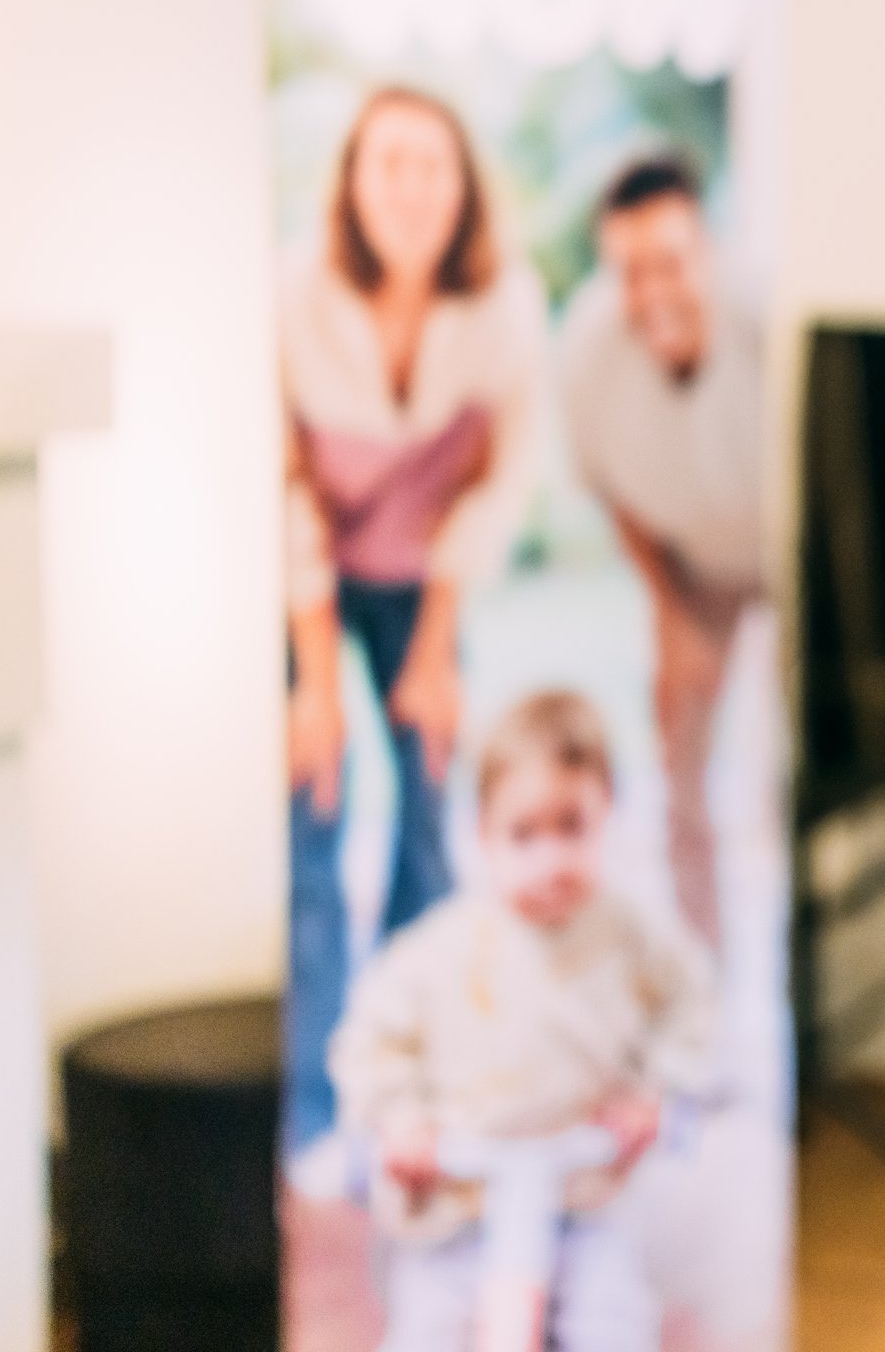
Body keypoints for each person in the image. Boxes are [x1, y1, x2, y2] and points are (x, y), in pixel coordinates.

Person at [283, 85, 548, 1171]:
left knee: (432, 816)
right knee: (313, 813)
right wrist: (315, 680)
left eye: (431, 165)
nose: (409, 187)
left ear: (464, 189)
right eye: (387, 163)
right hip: (306, 574)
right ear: (351, 181)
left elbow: (499, 486)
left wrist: (435, 652)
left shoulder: (506, 309)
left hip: (427, 575)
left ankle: (412, 1088)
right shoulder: (293, 295)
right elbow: (285, 485)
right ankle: (312, 1111)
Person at [331, 688, 717, 1352]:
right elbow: (367, 1041)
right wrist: (401, 1120)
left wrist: (653, 1091)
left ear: (608, 815)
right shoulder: (440, 950)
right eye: (523, 834)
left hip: (582, 1191)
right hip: (463, 1198)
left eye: (572, 826)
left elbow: (692, 1005)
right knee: (428, 1328)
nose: (550, 859)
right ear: (484, 834)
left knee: (614, 1323)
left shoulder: (626, 935)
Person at [558, 152, 769, 949]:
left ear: (706, 252)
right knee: (680, 778)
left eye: (669, 264)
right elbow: (609, 490)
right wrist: (669, 614)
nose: (652, 294)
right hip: (691, 571)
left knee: (801, 765)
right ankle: (701, 993)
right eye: (629, 272)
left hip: (787, 555)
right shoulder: (584, 352)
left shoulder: (764, 315)